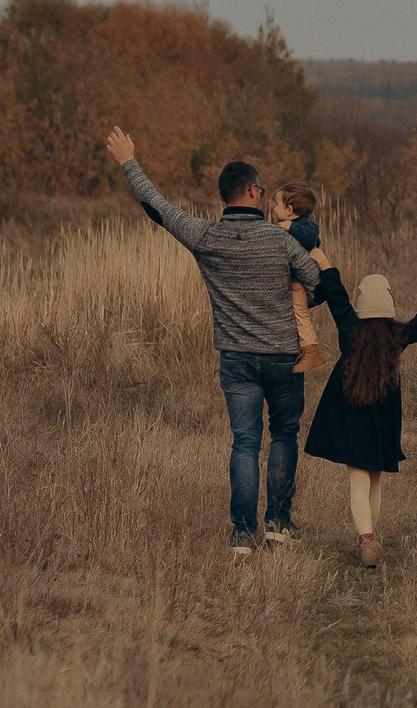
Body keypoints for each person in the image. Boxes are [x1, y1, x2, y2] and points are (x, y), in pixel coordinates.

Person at [105, 126, 322, 556]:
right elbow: (315, 287)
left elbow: (159, 208)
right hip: (281, 357)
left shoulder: (205, 237)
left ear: (224, 197)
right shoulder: (282, 241)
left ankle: (242, 535)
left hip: (236, 360)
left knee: (244, 441)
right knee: (283, 436)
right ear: (255, 192)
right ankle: (278, 525)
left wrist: (129, 161)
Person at [303, 267, 417, 568]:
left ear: (360, 305)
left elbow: (336, 297)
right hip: (383, 422)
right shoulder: (396, 336)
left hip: (352, 418)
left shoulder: (349, 330)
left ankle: (367, 540)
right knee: (374, 480)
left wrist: (323, 262)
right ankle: (371, 537)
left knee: (357, 481)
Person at [269, 182, 330, 374]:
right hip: (292, 281)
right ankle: (301, 349)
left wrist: (290, 227)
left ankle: (311, 350)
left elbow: (310, 240)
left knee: (299, 313)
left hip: (301, 283)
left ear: (289, 209)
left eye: (277, 204)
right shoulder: (289, 226)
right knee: (294, 314)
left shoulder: (306, 226)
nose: (273, 208)